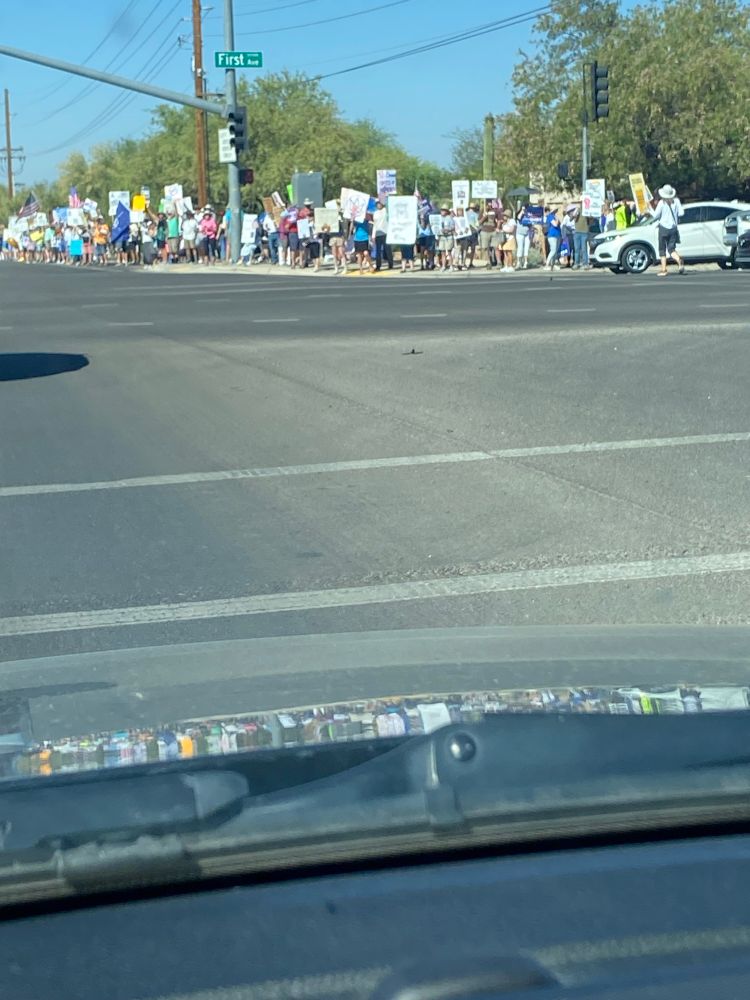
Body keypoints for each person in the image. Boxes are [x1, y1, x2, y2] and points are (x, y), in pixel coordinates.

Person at [649, 183, 685, 276]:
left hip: (663, 227)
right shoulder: (676, 201)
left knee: (662, 249)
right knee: (671, 249)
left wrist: (649, 209)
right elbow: (681, 213)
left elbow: (656, 216)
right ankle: (678, 260)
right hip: (673, 228)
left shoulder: (661, 203)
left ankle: (664, 269)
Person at [372, 200, 393, 271]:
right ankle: (378, 266)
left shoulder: (385, 210)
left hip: (385, 232)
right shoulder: (375, 213)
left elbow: (388, 204)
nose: (379, 205)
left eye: (380, 204)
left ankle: (390, 264)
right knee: (378, 251)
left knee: (388, 249)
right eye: (377, 204)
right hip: (378, 233)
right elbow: (374, 224)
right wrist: (373, 235)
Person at [436, 203, 455, 271]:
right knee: (442, 252)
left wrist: (448, 229)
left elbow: (453, 227)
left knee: (449, 252)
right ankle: (443, 266)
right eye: (441, 210)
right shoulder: (439, 218)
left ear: (447, 211)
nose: (442, 211)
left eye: (444, 210)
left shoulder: (450, 218)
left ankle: (451, 266)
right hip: (441, 237)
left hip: (449, 237)